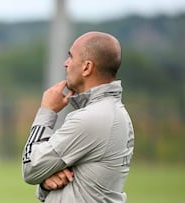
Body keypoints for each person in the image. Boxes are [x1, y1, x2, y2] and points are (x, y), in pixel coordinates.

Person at [22, 31, 135, 202]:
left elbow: (31, 167)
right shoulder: (110, 112)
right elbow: (75, 185)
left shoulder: (93, 118)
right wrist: (46, 182)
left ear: (87, 67)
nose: (65, 64)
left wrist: (47, 111)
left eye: (71, 57)